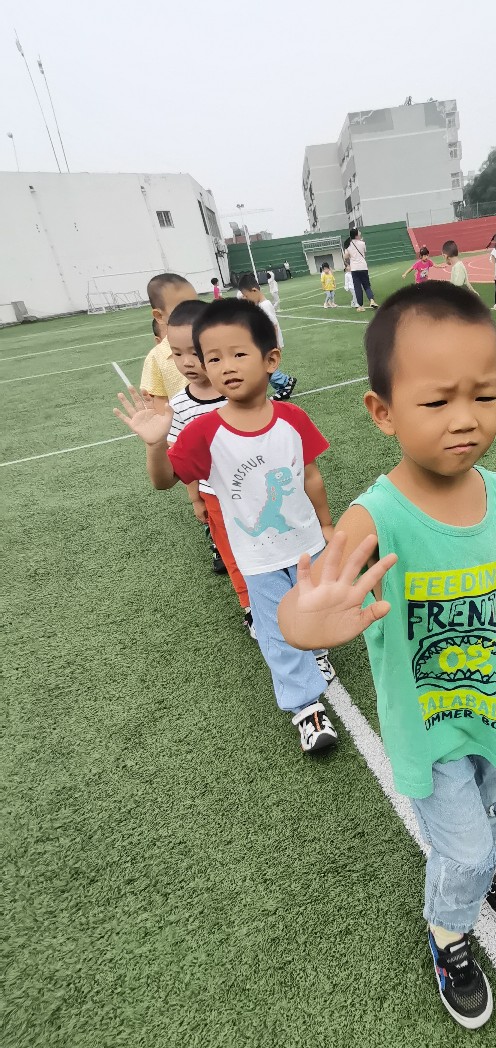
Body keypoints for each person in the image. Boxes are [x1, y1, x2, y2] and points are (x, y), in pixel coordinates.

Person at [277, 281, 496, 1030]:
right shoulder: (376, 514)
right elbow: (304, 608)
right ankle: (448, 934)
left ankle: (484, 865)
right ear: (382, 412)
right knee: (464, 849)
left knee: (494, 803)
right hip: (427, 724)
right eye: (437, 400)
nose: (466, 418)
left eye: (484, 396)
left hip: (492, 704)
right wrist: (308, 620)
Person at [114, 298, 340, 754]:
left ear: (270, 359)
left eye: (238, 353)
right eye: (212, 358)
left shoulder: (293, 419)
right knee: (275, 631)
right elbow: (164, 481)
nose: (225, 366)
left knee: (315, 612)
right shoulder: (203, 432)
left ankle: (316, 650)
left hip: (307, 544)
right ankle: (306, 709)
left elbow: (311, 476)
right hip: (257, 558)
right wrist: (156, 445)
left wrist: (327, 526)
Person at [165, 299, 254, 618]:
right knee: (231, 552)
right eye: (177, 354)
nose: (187, 362)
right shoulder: (179, 405)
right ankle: (249, 607)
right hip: (215, 495)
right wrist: (195, 498)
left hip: (254, 487)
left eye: (195, 352)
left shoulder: (240, 388)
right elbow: (181, 459)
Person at [140, 273, 199, 407]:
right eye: (183, 308)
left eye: (196, 303)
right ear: (159, 316)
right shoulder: (156, 357)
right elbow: (160, 400)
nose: (194, 312)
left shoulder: (212, 342)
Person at [236, 273, 296, 399]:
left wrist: (275, 344)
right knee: (264, 367)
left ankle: (286, 382)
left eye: (246, 296)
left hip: (270, 343)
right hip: (264, 343)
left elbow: (273, 325)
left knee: (265, 368)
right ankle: (283, 386)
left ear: (254, 290)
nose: (246, 299)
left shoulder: (265, 305)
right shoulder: (259, 305)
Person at [345, 228, 378, 312]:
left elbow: (346, 256)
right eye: (359, 233)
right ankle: (372, 300)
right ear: (356, 235)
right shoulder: (362, 243)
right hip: (363, 267)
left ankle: (360, 306)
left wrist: (348, 252)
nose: (360, 234)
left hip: (354, 268)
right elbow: (364, 252)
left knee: (357, 287)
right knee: (367, 285)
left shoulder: (348, 245)